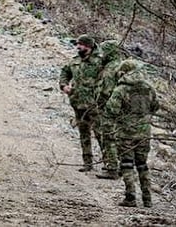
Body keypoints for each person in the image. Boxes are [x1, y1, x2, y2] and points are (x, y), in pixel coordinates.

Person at [103, 59, 159, 207]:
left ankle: (130, 197)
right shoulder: (149, 87)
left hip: (126, 132)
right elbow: (155, 106)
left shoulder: (120, 89)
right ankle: (147, 199)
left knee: (127, 164)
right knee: (142, 164)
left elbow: (111, 110)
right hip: (144, 132)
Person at [59, 34, 103, 172]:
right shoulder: (74, 61)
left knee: (101, 134)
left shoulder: (100, 61)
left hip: (95, 104)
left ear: (88, 46)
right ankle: (87, 163)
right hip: (78, 103)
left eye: (81, 44)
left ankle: (110, 164)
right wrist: (64, 85)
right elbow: (65, 72)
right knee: (84, 134)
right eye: (77, 44)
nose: (78, 47)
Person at [94, 40, 126, 179]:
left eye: (103, 51)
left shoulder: (110, 69)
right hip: (124, 108)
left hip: (110, 108)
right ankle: (120, 165)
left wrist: (97, 104)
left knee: (107, 136)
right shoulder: (123, 65)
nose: (101, 55)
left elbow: (105, 91)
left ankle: (112, 168)